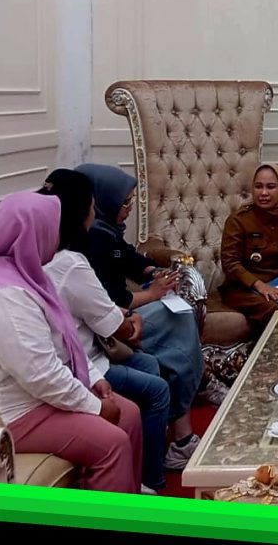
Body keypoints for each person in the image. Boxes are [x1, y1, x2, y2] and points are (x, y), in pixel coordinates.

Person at [0, 192, 142, 493]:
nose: (55, 238)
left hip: (25, 393)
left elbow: (59, 339)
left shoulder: (21, 274)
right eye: (50, 229)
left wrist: (93, 377)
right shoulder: (4, 294)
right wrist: (94, 407)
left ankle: (129, 503)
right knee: (112, 443)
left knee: (129, 414)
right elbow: (40, 373)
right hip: (1, 410)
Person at [39, 169, 171, 493]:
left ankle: (148, 462)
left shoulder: (96, 238)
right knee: (156, 390)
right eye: (91, 205)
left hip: (88, 352)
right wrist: (131, 318)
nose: (95, 211)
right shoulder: (74, 259)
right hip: (81, 362)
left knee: (148, 364)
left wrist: (147, 275)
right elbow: (118, 326)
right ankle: (151, 481)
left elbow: (125, 260)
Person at [75, 163, 203, 470]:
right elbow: (111, 300)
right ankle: (183, 432)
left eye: (131, 201)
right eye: (125, 203)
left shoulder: (108, 231)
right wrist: (155, 293)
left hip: (122, 314)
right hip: (110, 325)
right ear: (103, 200)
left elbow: (127, 257)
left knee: (181, 321)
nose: (129, 209)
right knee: (181, 321)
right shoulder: (94, 240)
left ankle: (183, 423)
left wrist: (153, 272)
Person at [219, 163, 278, 336]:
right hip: (243, 289)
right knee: (274, 310)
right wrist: (260, 286)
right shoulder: (238, 220)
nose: (263, 193)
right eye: (258, 186)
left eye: (270, 187)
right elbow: (230, 264)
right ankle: (272, 352)